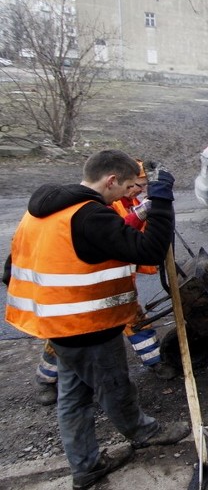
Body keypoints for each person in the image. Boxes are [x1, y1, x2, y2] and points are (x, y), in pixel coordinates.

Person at [3, 150, 190, 489]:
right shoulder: (90, 216)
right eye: (130, 187)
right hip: (88, 327)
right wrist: (161, 201)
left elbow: (10, 270)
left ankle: (86, 465)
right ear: (111, 180)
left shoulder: (46, 211)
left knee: (73, 397)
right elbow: (148, 249)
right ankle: (144, 432)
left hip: (58, 327)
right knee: (115, 388)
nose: (131, 194)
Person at [32, 161, 177, 406]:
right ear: (115, 181)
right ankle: (46, 379)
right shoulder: (106, 203)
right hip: (79, 293)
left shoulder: (128, 198)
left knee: (134, 319)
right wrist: (143, 214)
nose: (138, 191)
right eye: (135, 186)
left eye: (142, 186)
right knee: (64, 341)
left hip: (113, 283)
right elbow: (115, 234)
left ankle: (155, 361)